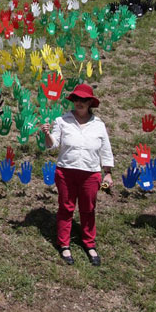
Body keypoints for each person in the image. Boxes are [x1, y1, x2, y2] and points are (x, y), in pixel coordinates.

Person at [40, 83, 114, 266]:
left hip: (90, 173)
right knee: (66, 208)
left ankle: (89, 244)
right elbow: (52, 144)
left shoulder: (99, 125)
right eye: (77, 99)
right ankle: (64, 244)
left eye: (84, 100)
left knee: (88, 209)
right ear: (73, 101)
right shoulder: (62, 121)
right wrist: (47, 134)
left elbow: (105, 149)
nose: (80, 102)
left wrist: (108, 173)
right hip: (66, 171)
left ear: (90, 102)